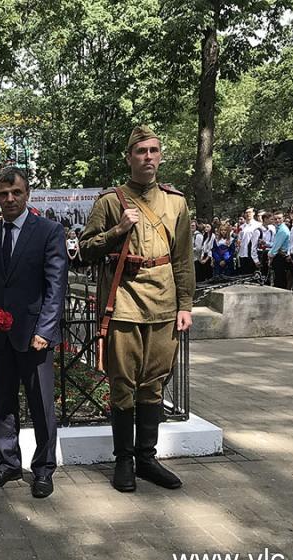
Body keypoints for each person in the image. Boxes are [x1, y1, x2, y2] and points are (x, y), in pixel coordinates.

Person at [79, 125, 194, 493]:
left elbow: (183, 258)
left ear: (160, 156)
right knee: (122, 385)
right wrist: (117, 231)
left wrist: (186, 305)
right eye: (141, 151)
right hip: (125, 303)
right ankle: (124, 460)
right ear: (129, 157)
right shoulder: (110, 201)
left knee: (154, 384)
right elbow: (85, 249)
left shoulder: (176, 202)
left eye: (153, 150)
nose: (148, 157)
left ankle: (146, 458)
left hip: (164, 304)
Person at [0, 167, 67, 499]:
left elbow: (56, 286)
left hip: (35, 336)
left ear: (27, 194)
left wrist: (45, 330)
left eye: (16, 193)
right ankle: (8, 463)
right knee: (2, 402)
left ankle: (44, 469)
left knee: (41, 405)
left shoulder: (49, 232)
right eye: (3, 194)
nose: (10, 199)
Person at [268, 211, 290, 290]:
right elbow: (275, 244)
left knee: (280, 280)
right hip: (279, 254)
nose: (277, 220)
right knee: (278, 278)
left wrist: (270, 256)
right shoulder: (278, 229)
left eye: (279, 218)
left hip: (281, 256)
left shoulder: (282, 230)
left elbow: (276, 247)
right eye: (275, 219)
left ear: (283, 218)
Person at [237, 207, 261, 275]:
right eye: (246, 213)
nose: (248, 214)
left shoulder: (258, 225)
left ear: (253, 213)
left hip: (252, 254)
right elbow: (239, 239)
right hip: (242, 253)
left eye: (250, 212)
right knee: (243, 274)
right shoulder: (242, 227)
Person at [257, 211, 275, 283]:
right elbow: (253, 247)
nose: (273, 221)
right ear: (265, 219)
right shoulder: (258, 231)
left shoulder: (271, 231)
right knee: (260, 275)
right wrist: (256, 260)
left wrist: (266, 243)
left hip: (267, 254)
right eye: (271, 219)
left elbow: (273, 244)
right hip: (260, 254)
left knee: (267, 276)